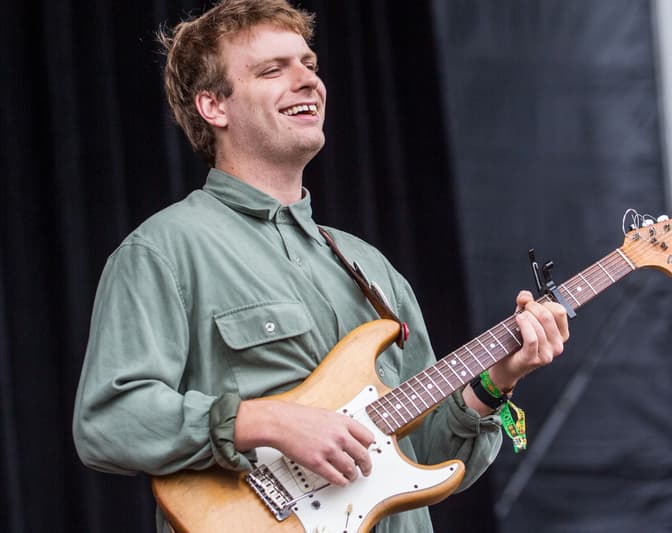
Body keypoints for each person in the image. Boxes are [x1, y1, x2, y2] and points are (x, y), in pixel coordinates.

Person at [72, 1, 569, 531]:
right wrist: (265, 421)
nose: (308, 80)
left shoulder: (369, 266)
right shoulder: (163, 250)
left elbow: (424, 453)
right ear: (214, 107)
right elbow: (108, 422)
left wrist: (495, 383)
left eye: (309, 63)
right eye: (273, 69)